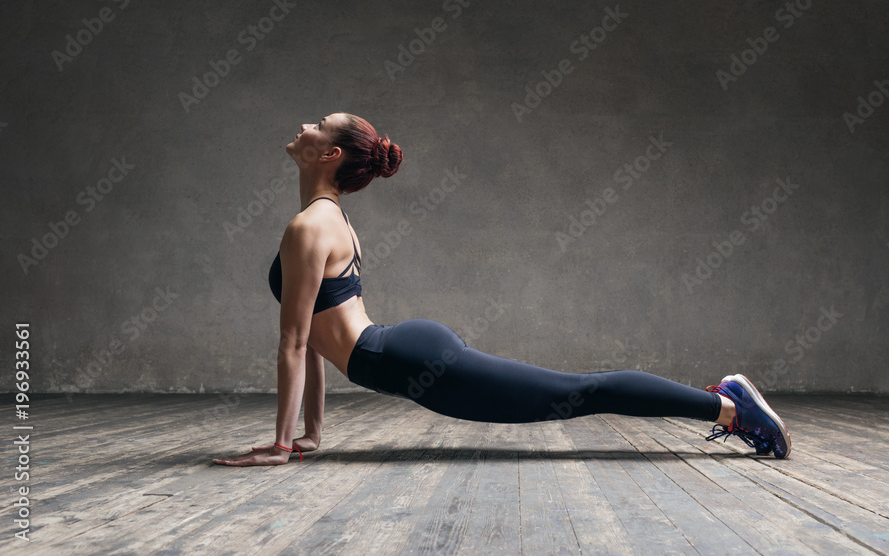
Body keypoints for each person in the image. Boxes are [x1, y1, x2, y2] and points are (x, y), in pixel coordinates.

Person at [212, 114, 790, 466]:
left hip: (412, 360)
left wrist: (282, 446)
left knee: (581, 391)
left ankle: (728, 405)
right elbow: (311, 340)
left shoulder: (310, 226)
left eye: (317, 124)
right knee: (578, 393)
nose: (303, 127)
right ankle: (726, 405)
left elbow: (292, 343)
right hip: (402, 354)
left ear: (329, 153)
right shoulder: (323, 219)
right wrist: (309, 435)